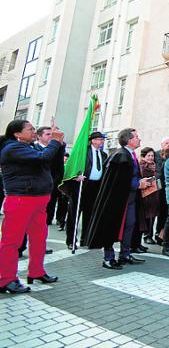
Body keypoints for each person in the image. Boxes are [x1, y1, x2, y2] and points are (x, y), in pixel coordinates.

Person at [0, 120, 64, 294]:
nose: (34, 131)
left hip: (39, 199)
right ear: (17, 134)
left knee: (39, 238)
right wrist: (55, 142)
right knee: (11, 242)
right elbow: (43, 157)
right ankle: (5, 279)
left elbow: (52, 161)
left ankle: (36, 272)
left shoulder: (31, 147)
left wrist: (59, 143)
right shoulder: (12, 148)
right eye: (30, 129)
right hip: (21, 199)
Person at [85, 128, 151, 269]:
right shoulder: (120, 156)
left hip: (130, 198)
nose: (139, 139)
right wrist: (138, 184)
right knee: (112, 226)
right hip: (117, 199)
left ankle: (125, 254)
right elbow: (118, 180)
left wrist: (141, 181)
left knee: (130, 225)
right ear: (129, 140)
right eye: (136, 137)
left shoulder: (131, 154)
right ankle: (108, 258)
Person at [65, 131, 108, 250]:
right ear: (93, 140)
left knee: (90, 214)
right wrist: (75, 176)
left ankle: (86, 239)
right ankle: (71, 240)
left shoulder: (103, 155)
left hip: (95, 187)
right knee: (75, 214)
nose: (102, 141)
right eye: (100, 139)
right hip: (82, 186)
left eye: (102, 139)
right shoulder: (83, 152)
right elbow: (72, 166)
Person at [153, 137, 169, 245]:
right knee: (154, 212)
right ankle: (148, 235)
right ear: (161, 144)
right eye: (166, 143)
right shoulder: (156, 154)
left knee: (165, 212)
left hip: (168, 188)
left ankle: (160, 234)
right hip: (158, 187)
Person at [139, 147, 161, 244]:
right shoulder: (142, 166)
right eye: (149, 155)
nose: (151, 157)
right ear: (144, 156)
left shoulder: (154, 166)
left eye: (152, 155)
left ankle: (149, 235)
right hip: (145, 196)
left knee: (152, 217)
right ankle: (146, 236)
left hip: (154, 195)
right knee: (145, 217)